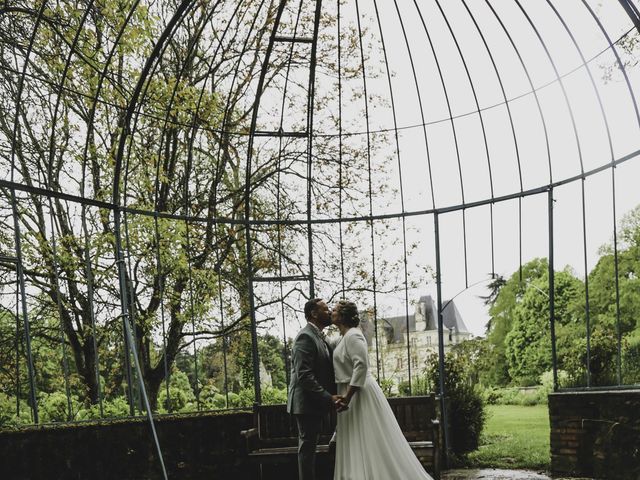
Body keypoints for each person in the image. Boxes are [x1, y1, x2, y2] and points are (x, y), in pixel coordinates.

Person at [331, 300, 434, 480]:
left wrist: (347, 396)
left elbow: (361, 366)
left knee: (369, 438)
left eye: (334, 310)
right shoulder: (343, 337)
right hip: (349, 393)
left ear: (342, 316)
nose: (331, 312)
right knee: (355, 440)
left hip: (358, 393)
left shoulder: (354, 336)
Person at [287, 298, 346, 480]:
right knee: (307, 449)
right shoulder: (305, 337)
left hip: (316, 403)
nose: (329, 312)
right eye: (326, 309)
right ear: (314, 313)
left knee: (312, 447)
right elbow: (304, 376)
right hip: (306, 404)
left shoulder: (321, 336)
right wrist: (328, 397)